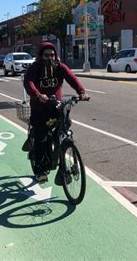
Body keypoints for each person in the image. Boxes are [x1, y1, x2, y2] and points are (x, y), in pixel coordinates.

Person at [23, 42, 89, 183]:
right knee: (42, 137)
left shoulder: (59, 66)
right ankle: (40, 169)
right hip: (40, 108)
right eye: (47, 55)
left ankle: (61, 164)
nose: (50, 58)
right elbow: (28, 82)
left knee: (65, 126)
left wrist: (81, 91)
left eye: (52, 55)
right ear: (41, 55)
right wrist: (38, 94)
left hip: (56, 106)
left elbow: (72, 77)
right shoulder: (35, 67)